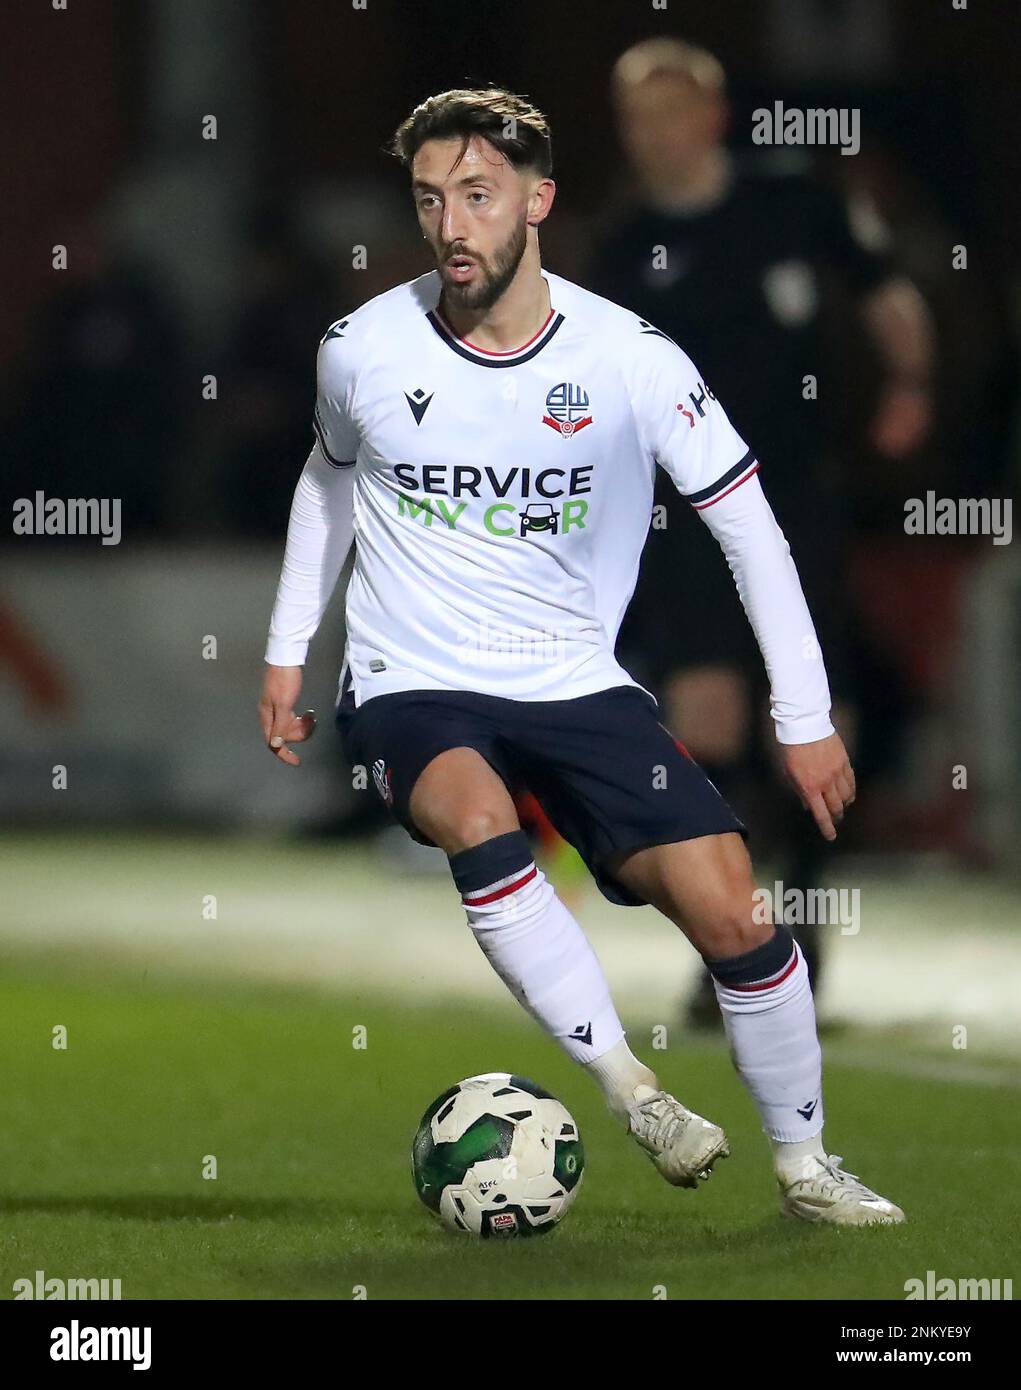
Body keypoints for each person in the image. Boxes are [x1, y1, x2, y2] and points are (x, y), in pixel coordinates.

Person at [258, 88, 903, 1225]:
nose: (452, 226)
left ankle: (806, 1168)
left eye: (477, 196)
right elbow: (329, 482)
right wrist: (285, 651)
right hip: (417, 677)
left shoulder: (629, 356)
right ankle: (630, 1086)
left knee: (739, 918)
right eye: (430, 200)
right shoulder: (362, 347)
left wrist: (801, 713)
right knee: (475, 816)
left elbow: (747, 523)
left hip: (574, 681)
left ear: (538, 200)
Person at [590, 39, 934, 1019]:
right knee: (706, 723)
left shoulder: (793, 199)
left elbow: (885, 289)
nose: (650, 138)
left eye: (667, 115)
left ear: (709, 118)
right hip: (681, 516)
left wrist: (906, 383)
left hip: (792, 501)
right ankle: (738, 943)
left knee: (811, 716)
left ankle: (808, 918)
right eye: (633, 121)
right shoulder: (622, 246)